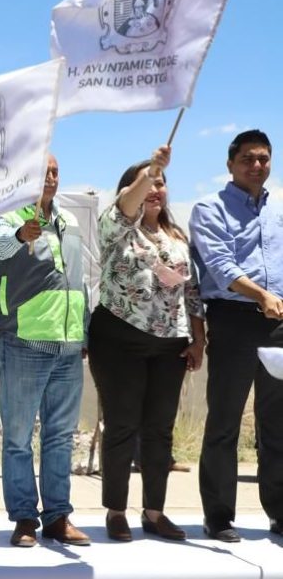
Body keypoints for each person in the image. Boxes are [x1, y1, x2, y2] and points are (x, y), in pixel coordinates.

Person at [89, 146, 205, 542]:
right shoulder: (116, 225)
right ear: (131, 189)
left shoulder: (177, 236)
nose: (156, 188)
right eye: (149, 182)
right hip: (119, 339)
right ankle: (116, 511)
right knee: (122, 425)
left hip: (170, 343)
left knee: (160, 429)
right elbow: (127, 205)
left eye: (161, 183)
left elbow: (192, 293)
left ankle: (154, 512)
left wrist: (198, 338)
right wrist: (151, 169)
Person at [0, 154, 90, 548]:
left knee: (60, 436)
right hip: (24, 341)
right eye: (41, 171)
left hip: (68, 345)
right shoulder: (7, 217)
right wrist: (21, 235)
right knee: (17, 437)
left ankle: (58, 516)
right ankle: (25, 518)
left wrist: (83, 331)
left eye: (54, 171)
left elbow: (79, 280)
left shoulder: (69, 221)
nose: (50, 177)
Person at [190, 129, 283, 542]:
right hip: (233, 319)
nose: (256, 165)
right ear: (230, 164)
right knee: (225, 420)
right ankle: (219, 516)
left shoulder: (278, 209)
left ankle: (280, 513)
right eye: (247, 158)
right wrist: (261, 295)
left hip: (278, 323)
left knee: (277, 422)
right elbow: (220, 265)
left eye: (263, 158)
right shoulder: (210, 208)